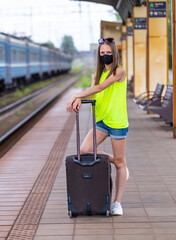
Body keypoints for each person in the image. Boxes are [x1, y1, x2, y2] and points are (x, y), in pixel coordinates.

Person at [66, 37, 129, 216]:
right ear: (99, 55)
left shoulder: (119, 72)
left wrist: (75, 95)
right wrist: (79, 98)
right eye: (103, 53)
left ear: (114, 53)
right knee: (85, 150)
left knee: (119, 163)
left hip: (117, 122)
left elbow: (100, 88)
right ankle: (119, 161)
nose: (106, 56)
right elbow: (93, 93)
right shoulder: (97, 74)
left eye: (109, 53)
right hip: (101, 121)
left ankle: (117, 202)